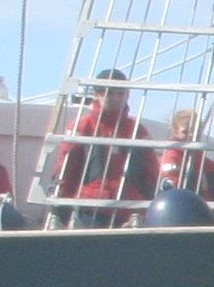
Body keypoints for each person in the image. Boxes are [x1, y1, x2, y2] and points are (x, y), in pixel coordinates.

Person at [50, 68, 152, 224]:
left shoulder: (137, 130)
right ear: (97, 95)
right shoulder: (83, 126)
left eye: (120, 93)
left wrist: (147, 205)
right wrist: (60, 209)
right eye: (109, 93)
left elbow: (150, 173)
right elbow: (66, 168)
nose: (116, 98)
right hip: (89, 208)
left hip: (129, 209)